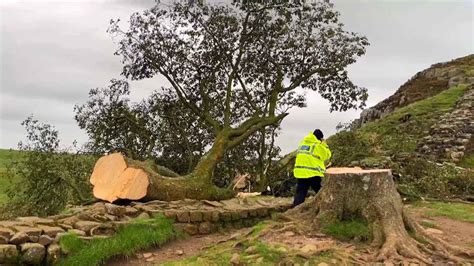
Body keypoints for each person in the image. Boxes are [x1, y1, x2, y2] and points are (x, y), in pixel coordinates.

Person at [292, 129, 332, 207]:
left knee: (301, 192)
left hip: (300, 172)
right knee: (319, 191)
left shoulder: (303, 143)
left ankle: (295, 210)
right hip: (313, 172)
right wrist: (324, 145)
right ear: (320, 138)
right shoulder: (317, 145)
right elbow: (327, 155)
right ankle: (326, 206)